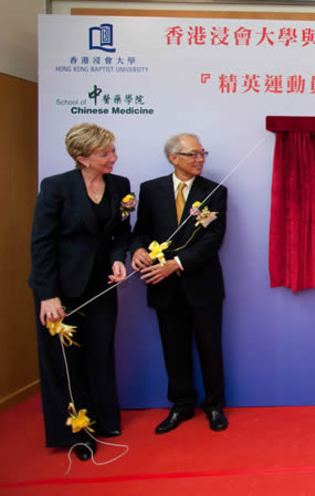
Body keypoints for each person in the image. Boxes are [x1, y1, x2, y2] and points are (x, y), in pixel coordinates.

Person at [29, 123, 131, 460]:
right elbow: (41, 244)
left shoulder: (120, 186)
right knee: (63, 362)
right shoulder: (57, 188)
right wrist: (48, 294)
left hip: (100, 287)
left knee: (99, 353)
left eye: (113, 151)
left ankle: (104, 420)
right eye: (105, 154)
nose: (113, 158)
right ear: (82, 157)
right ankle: (75, 432)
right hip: (61, 290)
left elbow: (120, 233)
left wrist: (118, 259)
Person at [131, 133, 229, 433]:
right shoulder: (151, 190)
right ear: (174, 158)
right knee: (173, 348)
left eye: (202, 153)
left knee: (210, 347)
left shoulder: (215, 192)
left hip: (202, 284)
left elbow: (213, 240)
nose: (200, 159)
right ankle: (182, 405)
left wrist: (176, 264)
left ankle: (214, 406)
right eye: (193, 154)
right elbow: (141, 231)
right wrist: (136, 249)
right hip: (162, 286)